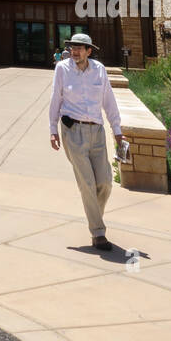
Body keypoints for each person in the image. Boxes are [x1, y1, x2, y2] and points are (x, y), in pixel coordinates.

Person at [49, 32, 125, 250]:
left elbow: (108, 100)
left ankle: (94, 217)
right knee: (87, 184)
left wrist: (117, 130)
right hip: (72, 131)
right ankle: (98, 233)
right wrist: (52, 129)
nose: (75, 51)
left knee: (105, 183)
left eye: (80, 48)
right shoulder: (62, 69)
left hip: (97, 133)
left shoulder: (99, 70)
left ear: (89, 51)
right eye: (73, 47)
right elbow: (56, 98)